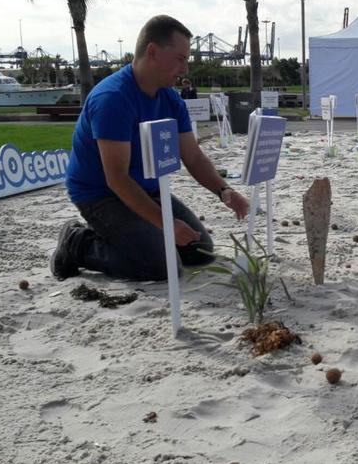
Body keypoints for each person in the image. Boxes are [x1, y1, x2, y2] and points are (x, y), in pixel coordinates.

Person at [50, 15, 249, 282]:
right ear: (153, 52)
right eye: (180, 58)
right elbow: (116, 178)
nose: (185, 68)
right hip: (101, 195)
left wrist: (223, 190)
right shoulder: (113, 99)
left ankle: (139, 237)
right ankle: (78, 243)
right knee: (160, 267)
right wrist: (166, 224)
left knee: (200, 252)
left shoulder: (170, 98)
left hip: (148, 189)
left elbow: (193, 155)